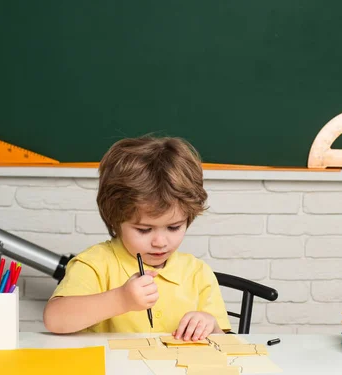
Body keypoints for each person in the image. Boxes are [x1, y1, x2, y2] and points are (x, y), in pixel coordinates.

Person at [43, 135, 231, 341]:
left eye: (174, 227)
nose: (160, 241)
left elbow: (225, 342)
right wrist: (120, 299)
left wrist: (210, 325)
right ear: (116, 220)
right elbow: (55, 319)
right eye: (144, 230)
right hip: (110, 371)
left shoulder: (197, 273)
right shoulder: (95, 264)